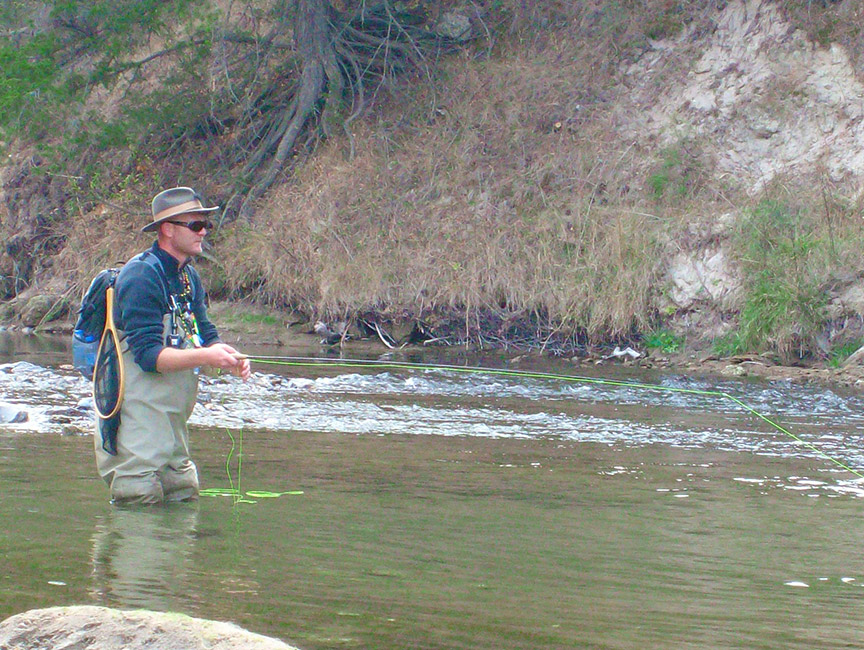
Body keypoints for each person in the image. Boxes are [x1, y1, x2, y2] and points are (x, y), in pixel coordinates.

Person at [94, 186, 251, 505]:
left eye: (205, 224)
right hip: (137, 429)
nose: (204, 231)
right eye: (195, 225)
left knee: (184, 493)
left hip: (172, 431)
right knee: (138, 498)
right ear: (167, 229)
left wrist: (226, 356)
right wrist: (207, 355)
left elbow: (205, 331)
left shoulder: (187, 277)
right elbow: (149, 357)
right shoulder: (141, 276)